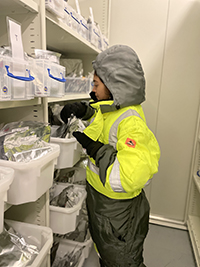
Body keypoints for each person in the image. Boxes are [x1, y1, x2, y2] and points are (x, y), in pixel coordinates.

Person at [60, 44, 160, 267]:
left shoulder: (131, 122)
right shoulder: (112, 111)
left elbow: (127, 176)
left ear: (115, 85)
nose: (93, 90)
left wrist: (97, 150)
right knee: (108, 255)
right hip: (103, 204)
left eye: (95, 84)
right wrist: (85, 111)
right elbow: (99, 125)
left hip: (118, 212)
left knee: (123, 260)